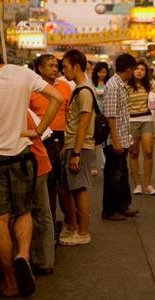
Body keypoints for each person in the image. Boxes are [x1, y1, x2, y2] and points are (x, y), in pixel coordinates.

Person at [0, 29, 63, 297]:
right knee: (24, 212)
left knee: (0, 220)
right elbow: (56, 98)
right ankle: (23, 254)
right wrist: (38, 130)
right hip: (23, 155)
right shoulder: (23, 73)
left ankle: (10, 281)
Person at [29, 54, 72, 232]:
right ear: (40, 69)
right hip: (40, 140)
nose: (55, 69)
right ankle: (49, 224)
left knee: (63, 184)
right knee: (46, 184)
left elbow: (69, 113)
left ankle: (70, 220)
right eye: (50, 66)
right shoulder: (31, 89)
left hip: (61, 139)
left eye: (56, 65)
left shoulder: (65, 86)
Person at [59, 49, 97, 245]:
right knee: (72, 188)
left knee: (80, 189)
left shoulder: (84, 91)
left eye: (65, 66)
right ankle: (77, 228)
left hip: (80, 146)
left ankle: (83, 233)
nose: (62, 71)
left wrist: (76, 152)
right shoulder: (81, 88)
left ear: (76, 66)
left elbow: (83, 123)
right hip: (73, 145)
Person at [102, 53, 139, 221]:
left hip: (122, 138)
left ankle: (122, 205)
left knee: (122, 174)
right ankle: (109, 210)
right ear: (129, 68)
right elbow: (110, 116)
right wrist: (116, 141)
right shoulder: (113, 86)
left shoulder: (121, 84)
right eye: (134, 69)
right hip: (114, 140)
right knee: (113, 176)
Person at [26, 113, 55, 276]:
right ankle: (44, 261)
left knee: (34, 214)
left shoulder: (18, 109)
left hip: (33, 163)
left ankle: (39, 260)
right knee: (42, 213)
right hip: (39, 161)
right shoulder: (24, 108)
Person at [128, 60, 155, 196]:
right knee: (133, 153)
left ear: (146, 72)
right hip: (131, 121)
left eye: (142, 69)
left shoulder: (150, 85)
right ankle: (137, 185)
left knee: (148, 151)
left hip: (147, 120)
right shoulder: (126, 86)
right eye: (137, 69)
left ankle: (148, 184)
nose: (139, 71)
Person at [91, 62, 111, 176]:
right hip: (95, 114)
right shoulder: (91, 82)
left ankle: (105, 163)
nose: (102, 74)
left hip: (106, 113)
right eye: (100, 72)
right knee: (93, 141)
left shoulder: (109, 83)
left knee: (105, 139)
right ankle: (93, 165)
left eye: (104, 72)